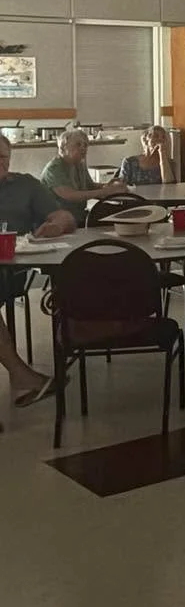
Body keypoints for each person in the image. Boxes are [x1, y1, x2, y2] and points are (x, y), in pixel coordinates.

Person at [0, 133, 72, 407]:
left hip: (13, 270)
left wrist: (56, 225)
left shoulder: (26, 185)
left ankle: (21, 376)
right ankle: (21, 375)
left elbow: (64, 216)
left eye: (3, 157)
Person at [40, 129, 127, 224]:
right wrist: (104, 192)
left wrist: (108, 186)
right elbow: (70, 195)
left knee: (118, 213)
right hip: (59, 222)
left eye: (85, 145)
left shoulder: (79, 164)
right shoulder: (54, 168)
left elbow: (90, 186)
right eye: (78, 144)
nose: (83, 148)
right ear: (63, 148)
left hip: (79, 216)